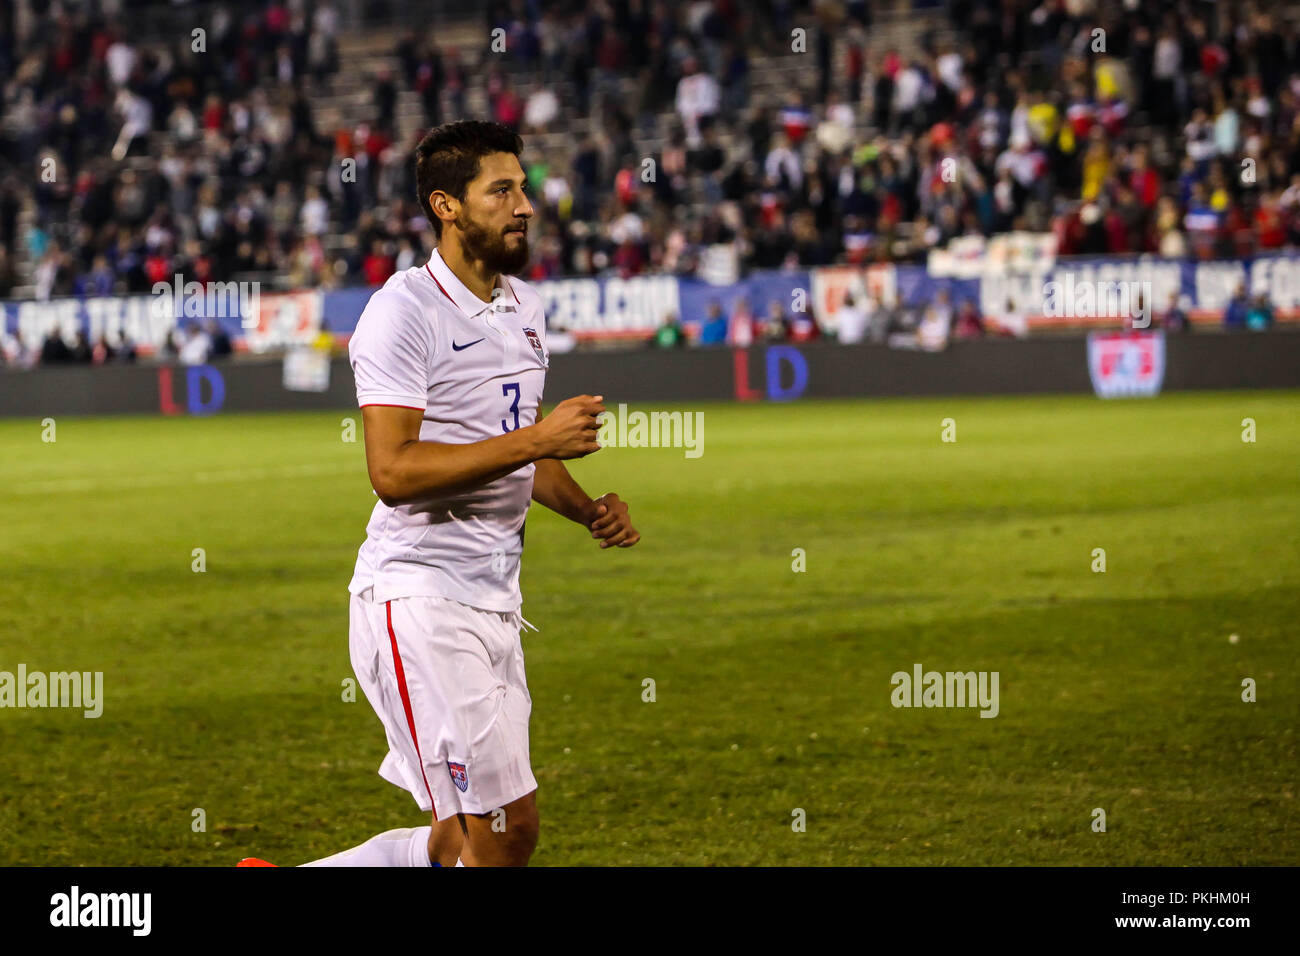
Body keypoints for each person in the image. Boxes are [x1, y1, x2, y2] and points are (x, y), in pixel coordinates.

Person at [239, 121, 639, 870]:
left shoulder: (524, 307)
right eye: (502, 191)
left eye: (523, 188)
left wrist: (586, 508)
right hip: (418, 600)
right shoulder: (403, 312)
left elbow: (518, 447)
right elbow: (392, 471)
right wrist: (535, 441)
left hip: (495, 601)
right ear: (447, 206)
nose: (524, 206)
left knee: (465, 838)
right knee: (503, 829)